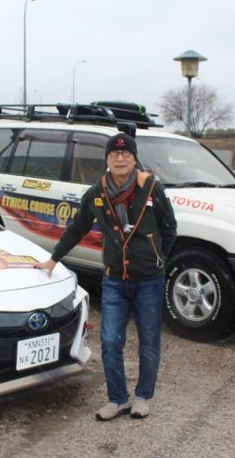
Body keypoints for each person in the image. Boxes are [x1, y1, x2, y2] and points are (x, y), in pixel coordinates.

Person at [34, 132, 177, 421]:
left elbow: (169, 227)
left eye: (126, 154)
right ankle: (117, 399)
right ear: (107, 159)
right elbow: (77, 227)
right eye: (114, 154)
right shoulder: (97, 194)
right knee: (111, 341)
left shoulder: (151, 189)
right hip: (114, 281)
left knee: (149, 341)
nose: (120, 158)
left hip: (149, 280)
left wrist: (160, 258)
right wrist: (53, 259)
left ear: (135, 158)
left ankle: (142, 397)